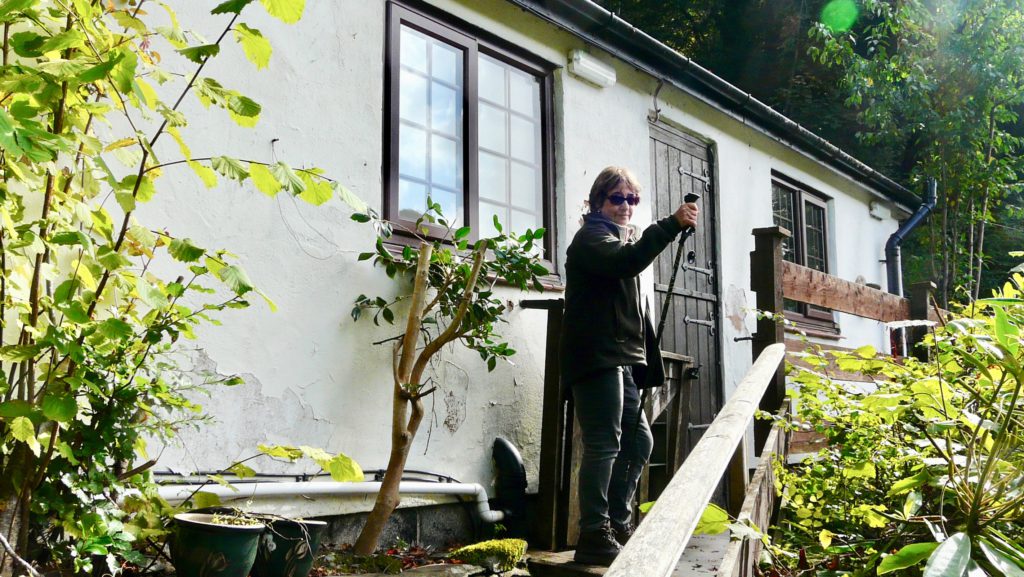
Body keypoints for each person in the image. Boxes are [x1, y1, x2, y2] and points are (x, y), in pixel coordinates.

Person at [560, 166, 700, 566]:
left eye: (632, 199)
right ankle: (594, 533)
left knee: (639, 441)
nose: (625, 206)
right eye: (617, 198)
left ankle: (619, 523)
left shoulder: (621, 237)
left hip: (619, 359)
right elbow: (625, 263)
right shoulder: (592, 237)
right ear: (597, 202)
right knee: (604, 443)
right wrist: (670, 225)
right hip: (596, 358)